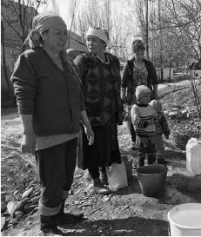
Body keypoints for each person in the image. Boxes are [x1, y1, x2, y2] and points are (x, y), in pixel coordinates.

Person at [11, 12, 94, 235]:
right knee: (52, 181)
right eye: (58, 33)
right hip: (47, 135)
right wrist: (28, 133)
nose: (63, 37)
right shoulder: (30, 59)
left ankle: (59, 214)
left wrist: (86, 123)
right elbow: (24, 97)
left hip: (70, 132)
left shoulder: (66, 63)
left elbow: (77, 96)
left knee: (66, 179)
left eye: (65, 33)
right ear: (42, 34)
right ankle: (47, 225)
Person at [74, 26, 123, 195]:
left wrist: (119, 108)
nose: (89, 42)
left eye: (93, 39)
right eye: (88, 39)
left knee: (107, 143)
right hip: (89, 112)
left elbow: (117, 85)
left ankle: (105, 175)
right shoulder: (83, 61)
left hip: (109, 111)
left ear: (104, 43)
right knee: (91, 146)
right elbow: (75, 87)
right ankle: (95, 180)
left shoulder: (113, 61)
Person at [121, 39, 158, 151]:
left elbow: (155, 80)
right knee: (133, 118)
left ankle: (147, 139)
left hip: (146, 96)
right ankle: (134, 141)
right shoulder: (129, 65)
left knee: (146, 116)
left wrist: (155, 94)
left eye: (142, 53)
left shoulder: (148, 64)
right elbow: (123, 82)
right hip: (132, 96)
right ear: (133, 53)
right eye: (137, 54)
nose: (140, 56)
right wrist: (123, 95)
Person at [131, 85, 157, 167]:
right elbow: (135, 121)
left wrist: (156, 120)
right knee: (141, 152)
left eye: (149, 96)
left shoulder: (149, 107)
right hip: (142, 136)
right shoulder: (136, 108)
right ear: (139, 97)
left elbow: (154, 114)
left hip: (151, 134)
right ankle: (141, 168)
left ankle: (151, 166)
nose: (148, 98)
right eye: (145, 96)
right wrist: (148, 123)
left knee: (152, 152)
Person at [149, 100, 170, 165]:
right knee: (160, 148)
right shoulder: (161, 116)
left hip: (149, 135)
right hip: (158, 135)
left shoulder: (148, 115)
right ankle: (160, 159)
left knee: (152, 148)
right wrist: (166, 133)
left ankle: (151, 160)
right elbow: (164, 125)